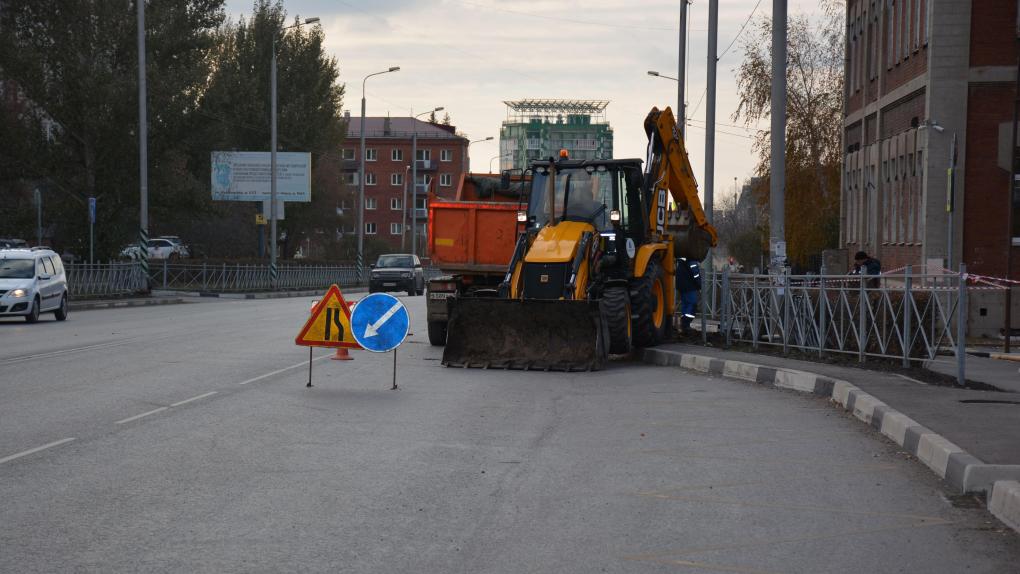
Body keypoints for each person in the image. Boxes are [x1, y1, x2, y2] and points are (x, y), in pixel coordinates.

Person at [675, 256, 702, 335]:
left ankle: (684, 325)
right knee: (692, 304)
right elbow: (696, 274)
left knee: (685, 304)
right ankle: (686, 324)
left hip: (682, 286)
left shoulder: (680, 261)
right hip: (690, 287)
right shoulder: (691, 261)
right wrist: (699, 285)